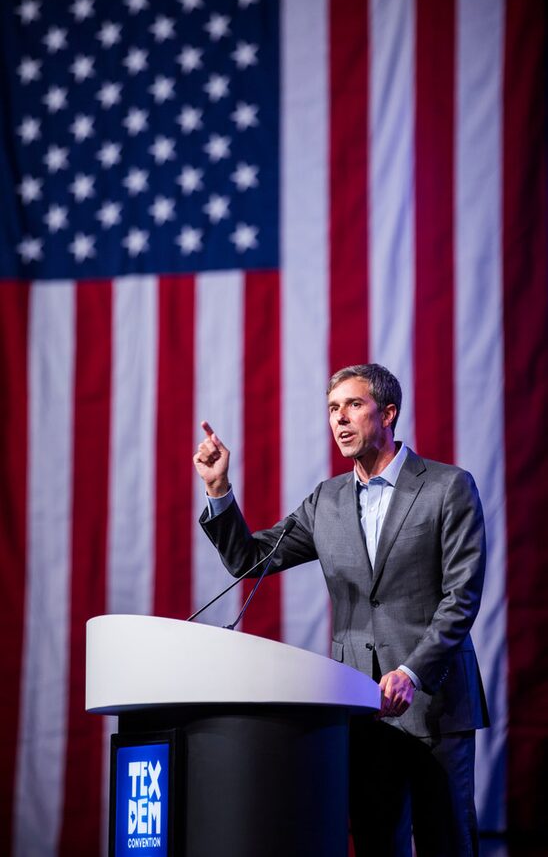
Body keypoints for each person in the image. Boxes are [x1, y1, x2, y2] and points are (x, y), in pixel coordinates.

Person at [193, 363, 489, 856]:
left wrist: (412, 672)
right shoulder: (325, 501)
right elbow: (249, 561)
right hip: (360, 709)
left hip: (435, 705)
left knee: (447, 843)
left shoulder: (446, 487)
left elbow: (462, 598)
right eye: (333, 409)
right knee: (375, 843)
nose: (340, 420)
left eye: (353, 405)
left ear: (389, 413)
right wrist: (219, 489)